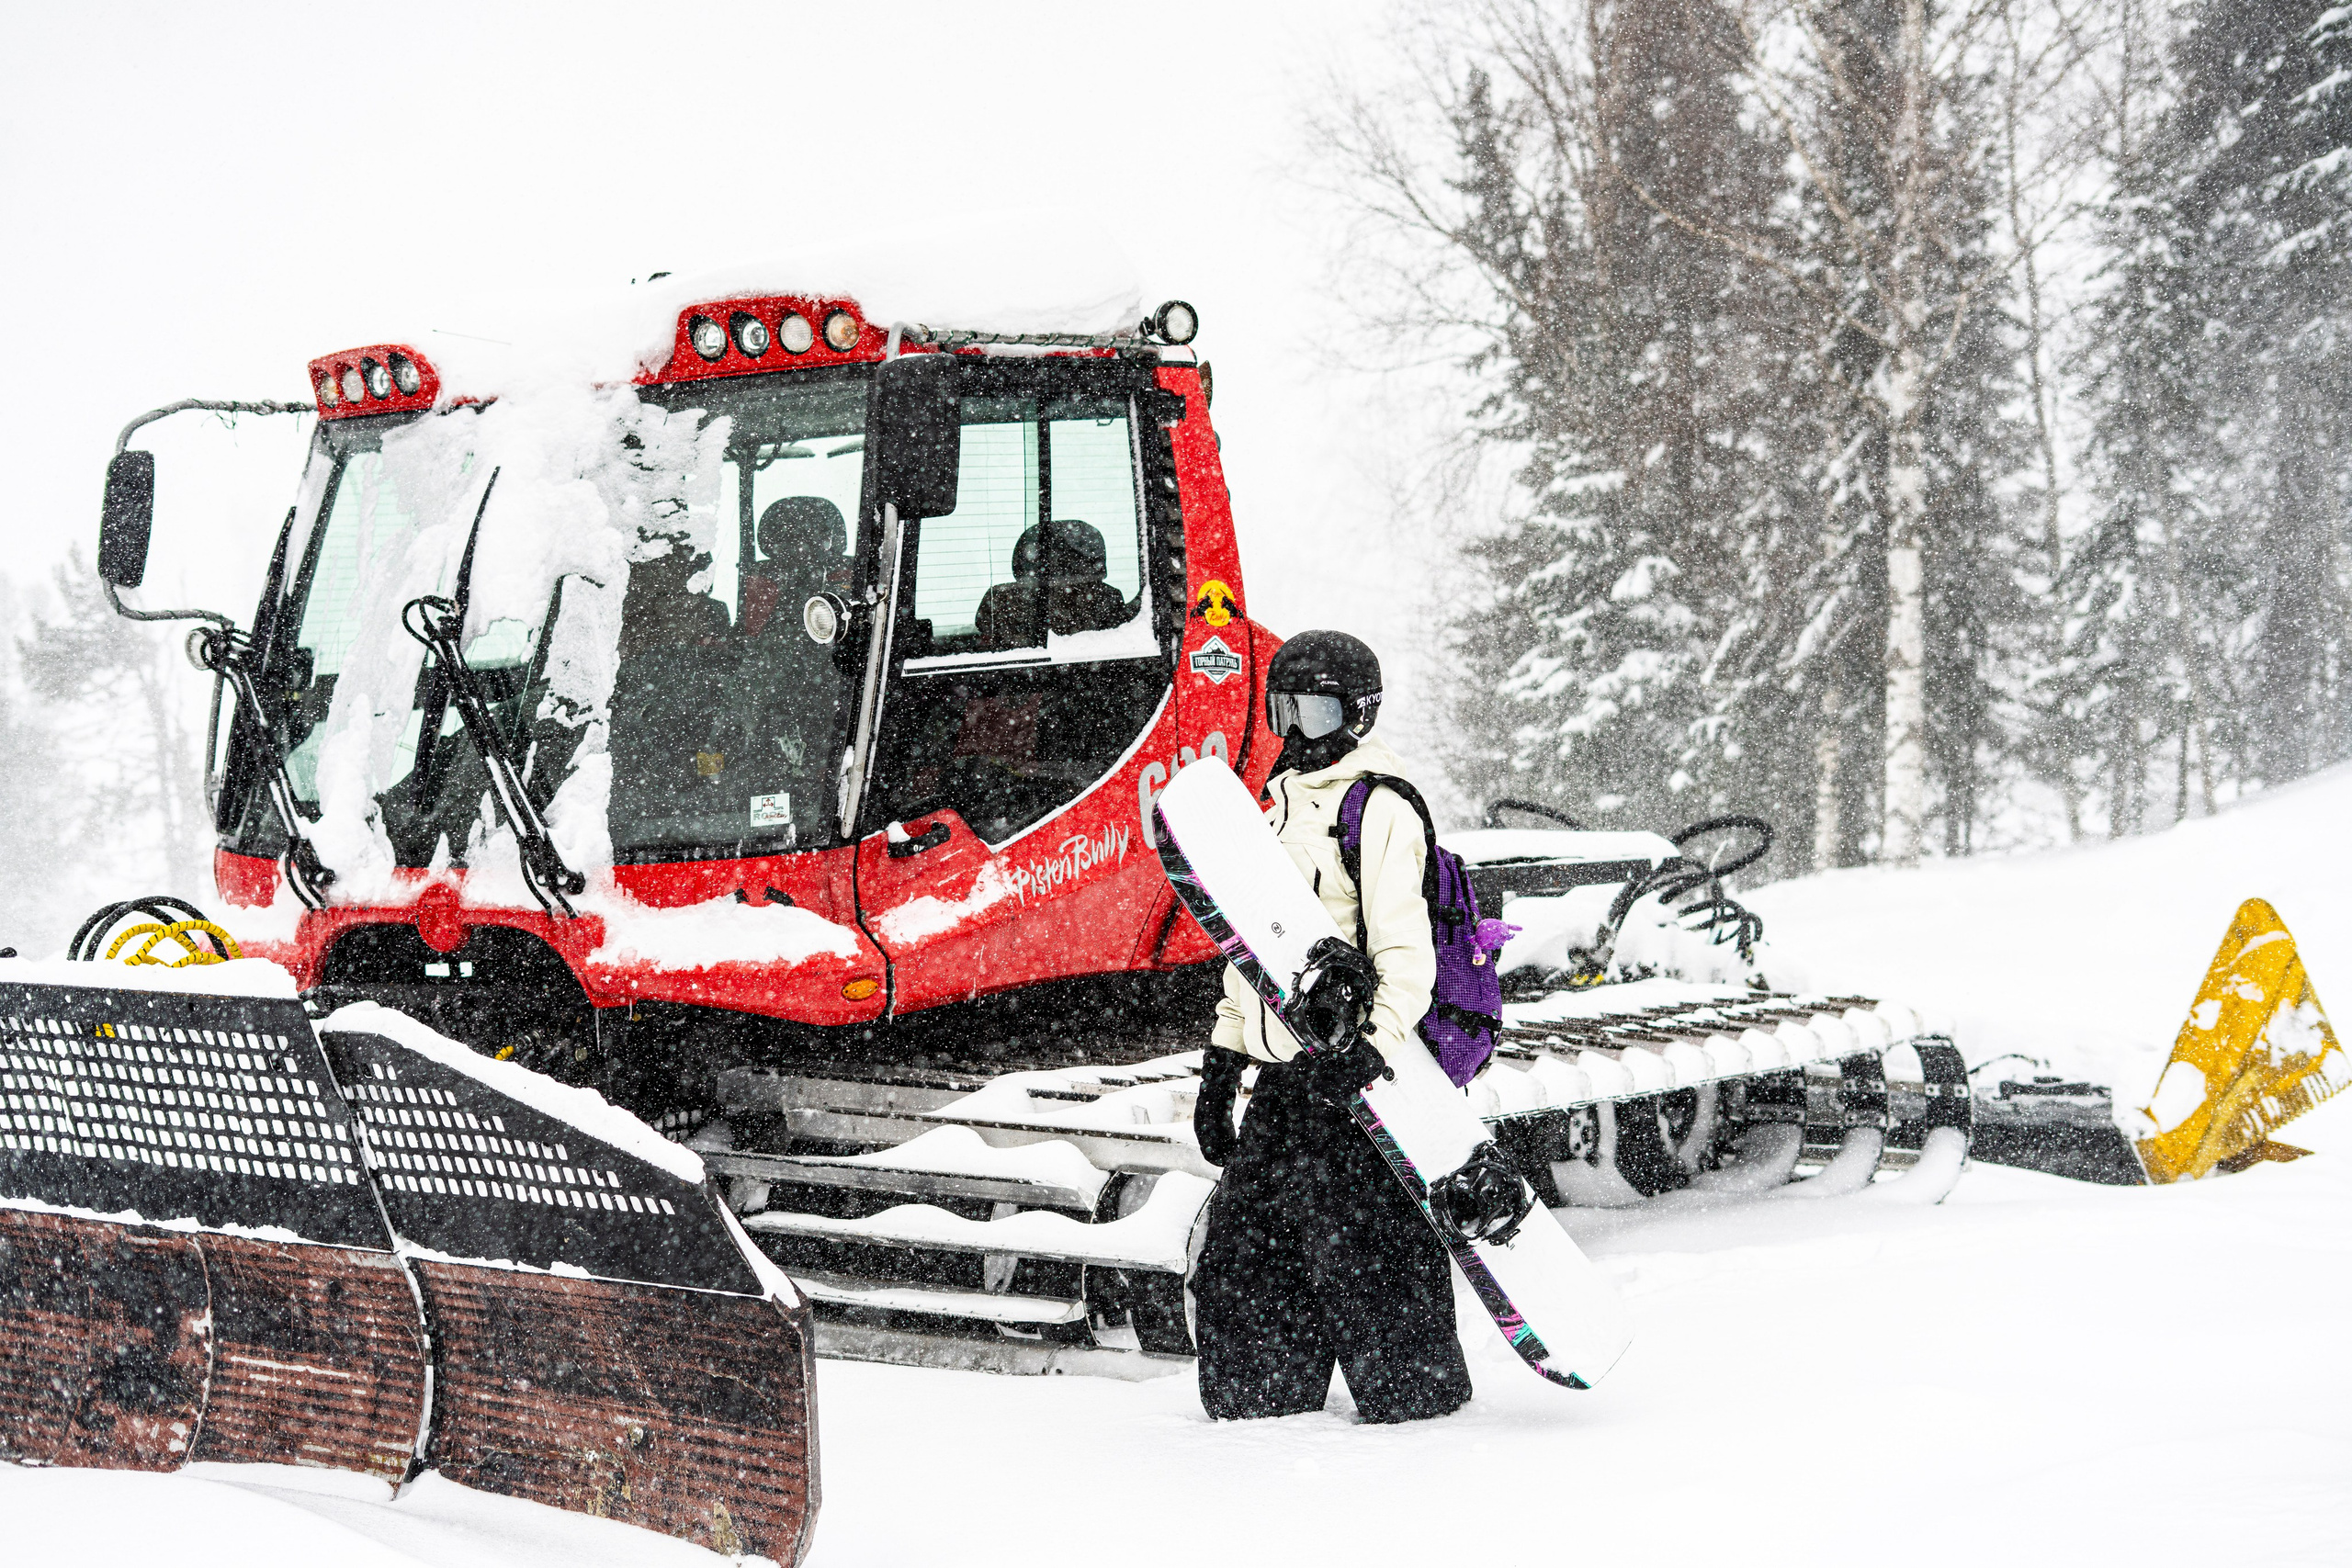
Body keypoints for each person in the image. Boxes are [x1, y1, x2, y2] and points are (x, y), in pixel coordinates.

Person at [1187, 629, 1474, 1424]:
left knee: (1368, 1261)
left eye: (1313, 711)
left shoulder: (1378, 806)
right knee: (1245, 1261)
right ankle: (1260, 1405)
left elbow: (1405, 957)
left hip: (1354, 1090)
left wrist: (1368, 1052)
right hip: (1284, 1089)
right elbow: (1251, 955)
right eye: (1285, 710)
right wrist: (1223, 1060)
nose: (1295, 731)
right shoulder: (1271, 807)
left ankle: (1414, 1411)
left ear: (1355, 713)